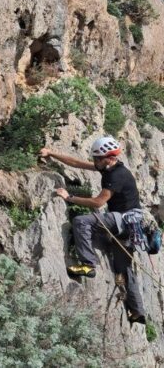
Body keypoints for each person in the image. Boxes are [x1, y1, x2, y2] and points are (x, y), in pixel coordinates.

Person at [41, 135, 146, 324]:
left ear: (109, 157)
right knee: (123, 268)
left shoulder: (116, 175)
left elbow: (98, 202)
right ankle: (137, 312)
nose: (95, 161)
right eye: (95, 158)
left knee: (82, 222)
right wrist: (51, 153)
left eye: (98, 158)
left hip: (123, 220)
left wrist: (69, 197)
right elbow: (77, 163)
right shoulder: (108, 167)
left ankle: (88, 265)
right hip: (129, 226)